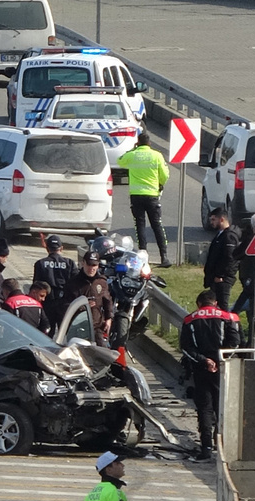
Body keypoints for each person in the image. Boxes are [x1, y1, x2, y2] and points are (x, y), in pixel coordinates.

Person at [180, 290, 241, 460]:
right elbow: (235, 343)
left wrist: (204, 361)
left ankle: (206, 447)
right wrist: (220, 359)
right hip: (223, 368)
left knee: (204, 408)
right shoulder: (229, 317)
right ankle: (222, 444)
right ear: (215, 303)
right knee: (222, 406)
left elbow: (186, 347)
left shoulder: (190, 319)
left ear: (199, 304)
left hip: (201, 369)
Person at [118, 133, 171, 266]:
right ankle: (164, 256)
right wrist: (160, 183)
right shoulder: (156, 155)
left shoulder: (133, 155)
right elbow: (165, 175)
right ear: (149, 143)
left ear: (138, 142)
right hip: (152, 195)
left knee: (140, 225)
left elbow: (120, 160)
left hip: (136, 195)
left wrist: (133, 149)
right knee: (157, 225)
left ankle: (143, 256)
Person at [65, 251, 115, 346]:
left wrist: (109, 318)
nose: (91, 269)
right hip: (77, 326)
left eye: (94, 265)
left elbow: (107, 300)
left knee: (102, 353)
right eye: (89, 265)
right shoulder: (73, 283)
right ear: (83, 263)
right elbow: (65, 305)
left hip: (97, 326)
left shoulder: (101, 281)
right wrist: (83, 306)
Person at [33, 234, 77, 327]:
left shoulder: (40, 263)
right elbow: (76, 284)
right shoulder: (70, 263)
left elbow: (36, 285)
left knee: (47, 331)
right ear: (61, 248)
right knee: (65, 332)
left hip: (47, 303)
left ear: (47, 248)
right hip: (65, 303)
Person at [204, 207, 241, 311]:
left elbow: (230, 258)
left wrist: (220, 275)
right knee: (216, 306)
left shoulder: (229, 236)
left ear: (222, 219)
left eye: (213, 219)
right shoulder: (221, 234)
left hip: (223, 279)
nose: (211, 222)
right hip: (216, 278)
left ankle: (227, 325)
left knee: (222, 307)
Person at [231, 213, 255, 316]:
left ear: (252, 226)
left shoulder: (249, 240)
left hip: (249, 276)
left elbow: (236, 254)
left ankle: (234, 316)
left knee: (245, 299)